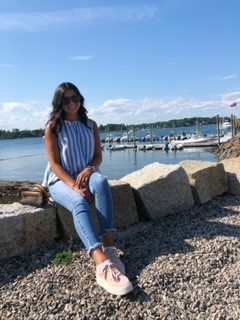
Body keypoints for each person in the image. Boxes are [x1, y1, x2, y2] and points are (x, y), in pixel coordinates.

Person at [42, 82, 133, 296]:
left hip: (86, 174)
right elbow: (54, 164)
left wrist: (90, 169)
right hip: (60, 180)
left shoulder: (90, 124)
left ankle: (109, 245)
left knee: (101, 182)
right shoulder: (53, 127)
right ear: (59, 103)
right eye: (66, 100)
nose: (72, 103)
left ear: (80, 99)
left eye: (75, 98)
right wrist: (74, 186)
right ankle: (100, 262)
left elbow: (98, 156)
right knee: (79, 202)